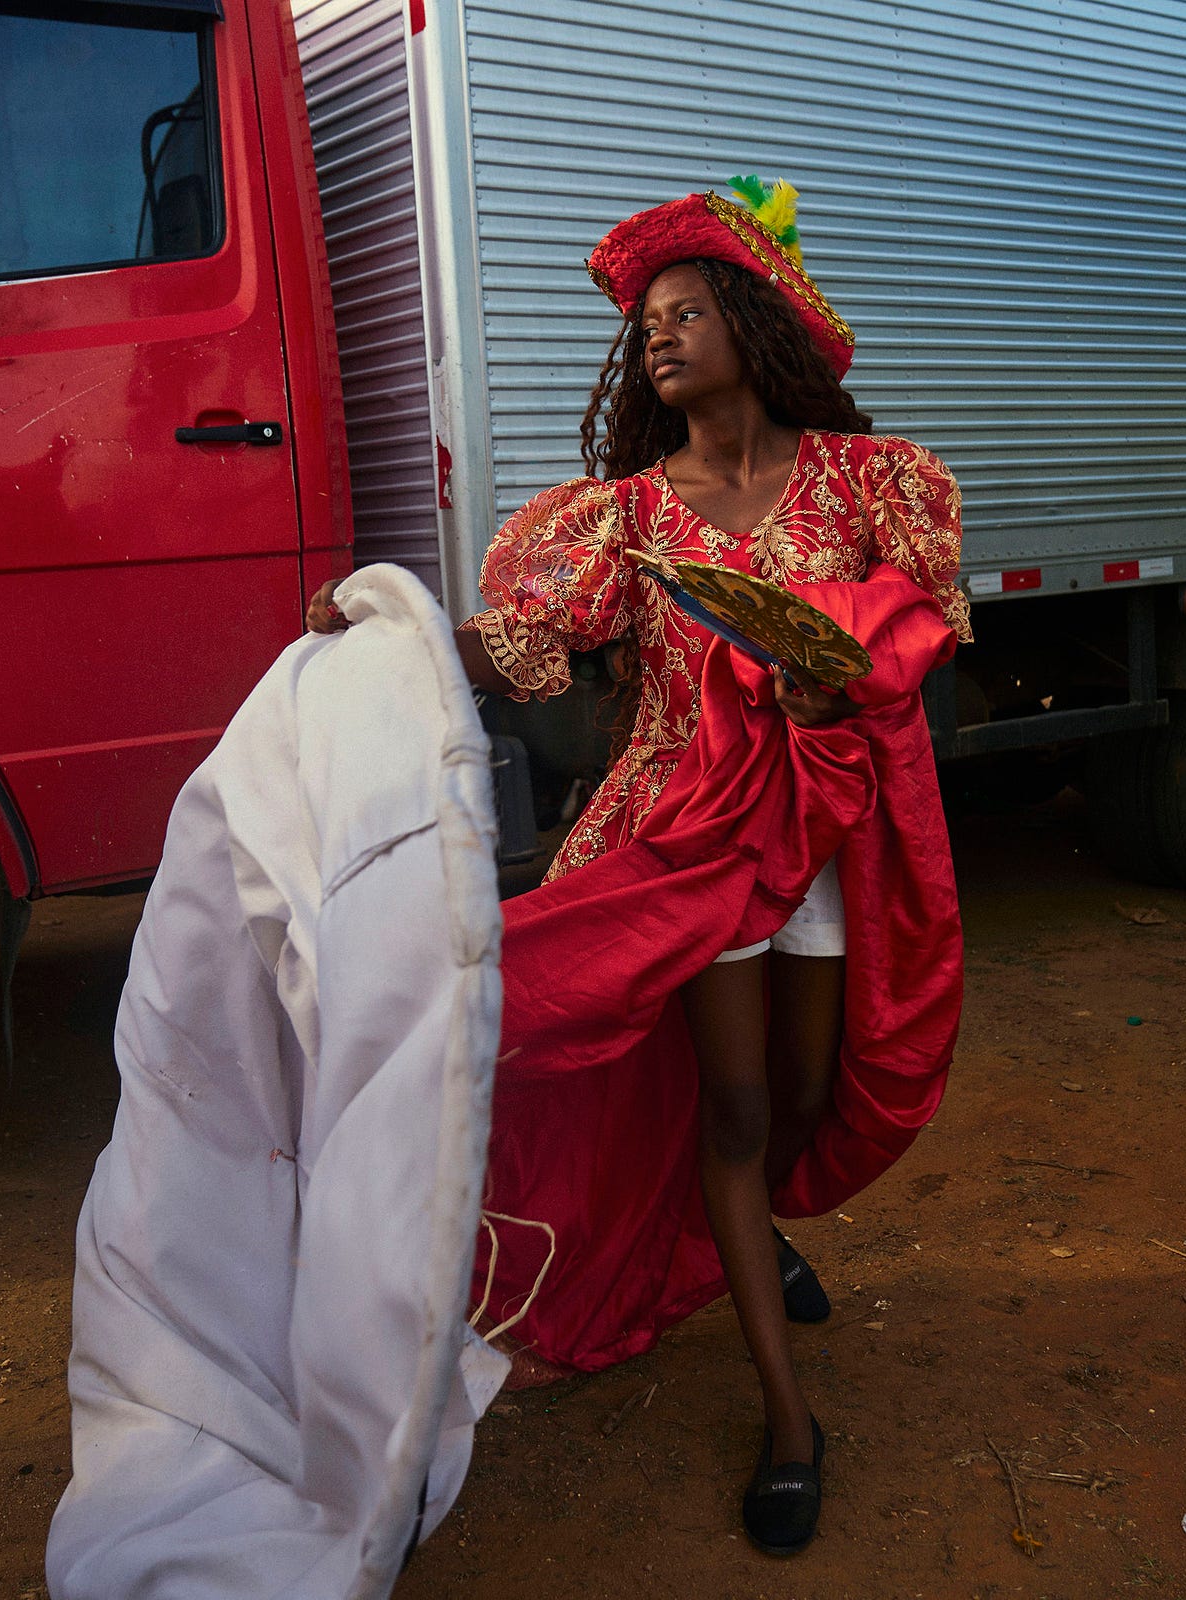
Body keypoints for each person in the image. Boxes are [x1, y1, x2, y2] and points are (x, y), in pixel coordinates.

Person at [307, 176, 966, 1556]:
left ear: (757, 323)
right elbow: (531, 635)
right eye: (647, 323)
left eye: (686, 313)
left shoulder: (872, 482)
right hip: (678, 845)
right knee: (730, 1110)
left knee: (801, 1091)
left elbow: (923, 631)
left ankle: (761, 1232)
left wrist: (839, 677)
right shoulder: (620, 517)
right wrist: (400, 631)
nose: (657, 339)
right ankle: (790, 1421)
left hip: (827, 842)